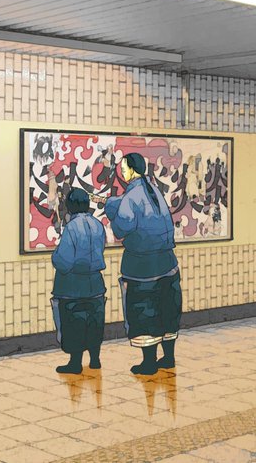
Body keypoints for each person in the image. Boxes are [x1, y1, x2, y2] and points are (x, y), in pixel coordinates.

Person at [104, 153, 182, 375]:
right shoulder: (154, 190)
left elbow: (121, 229)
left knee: (144, 312)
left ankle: (149, 363)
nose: (122, 171)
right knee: (167, 311)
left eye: (123, 168)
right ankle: (168, 357)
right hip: (167, 264)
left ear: (132, 170)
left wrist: (111, 210)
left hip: (142, 268)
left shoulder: (132, 196)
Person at [51, 188, 107, 374]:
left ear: (70, 206)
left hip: (73, 287)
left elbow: (63, 261)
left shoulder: (72, 228)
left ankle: (75, 363)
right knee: (94, 323)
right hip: (95, 284)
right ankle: (95, 359)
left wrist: (54, 256)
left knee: (74, 324)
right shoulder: (97, 225)